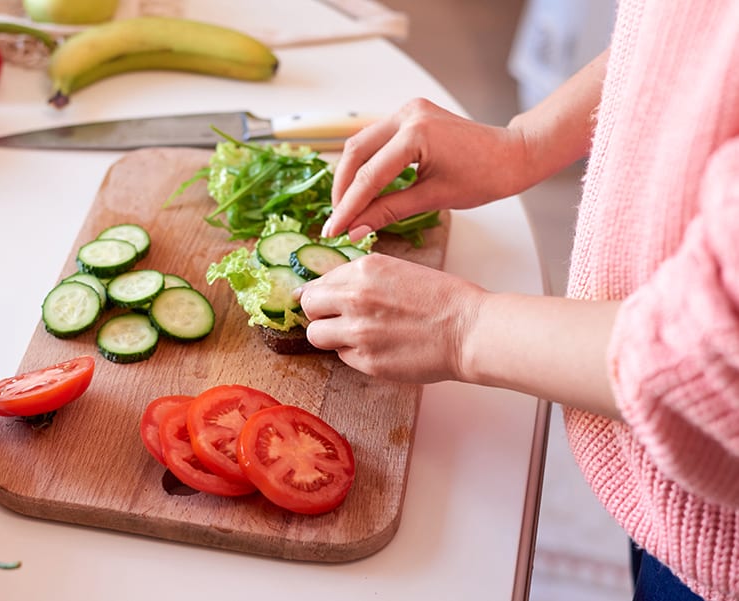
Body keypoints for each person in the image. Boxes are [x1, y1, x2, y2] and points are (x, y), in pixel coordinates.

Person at [295, 1, 739, 599]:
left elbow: (711, 355)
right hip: (674, 475)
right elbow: (689, 35)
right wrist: (525, 142)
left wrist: (464, 328)